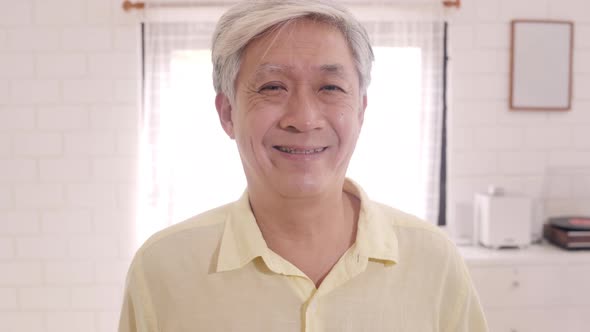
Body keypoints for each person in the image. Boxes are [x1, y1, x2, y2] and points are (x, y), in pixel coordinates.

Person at [119, 1, 488, 331]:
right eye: (272, 87)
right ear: (228, 113)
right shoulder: (163, 267)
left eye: (330, 88)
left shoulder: (433, 260)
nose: (304, 118)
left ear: (360, 110)